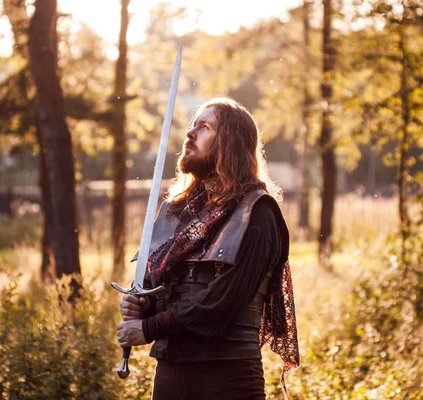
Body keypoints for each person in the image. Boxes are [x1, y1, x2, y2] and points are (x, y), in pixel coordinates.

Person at [116, 97, 299, 400]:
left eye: (205, 127)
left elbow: (219, 305)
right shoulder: (177, 213)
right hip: (170, 377)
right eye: (192, 125)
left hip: (227, 380)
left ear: (230, 143)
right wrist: (143, 305)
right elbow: (159, 290)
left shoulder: (257, 213)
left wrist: (148, 328)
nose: (190, 133)